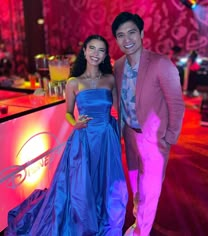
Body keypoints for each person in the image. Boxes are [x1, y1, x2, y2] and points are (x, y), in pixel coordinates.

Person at [5, 35, 128, 236]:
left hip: (106, 138)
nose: (96, 54)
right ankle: (83, 223)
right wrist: (75, 123)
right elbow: (69, 113)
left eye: (101, 50)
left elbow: (117, 109)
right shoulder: (73, 82)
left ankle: (102, 218)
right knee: (80, 187)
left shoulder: (110, 79)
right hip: (84, 138)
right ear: (85, 51)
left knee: (107, 183)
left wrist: (120, 132)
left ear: (105, 55)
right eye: (92, 49)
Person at [111, 12, 185, 236]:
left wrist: (169, 138)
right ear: (116, 39)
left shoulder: (162, 64)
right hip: (130, 135)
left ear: (142, 33)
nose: (127, 39)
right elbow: (119, 100)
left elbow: (176, 104)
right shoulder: (119, 65)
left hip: (154, 139)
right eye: (121, 35)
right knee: (136, 183)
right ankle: (137, 219)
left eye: (131, 32)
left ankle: (141, 232)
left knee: (150, 191)